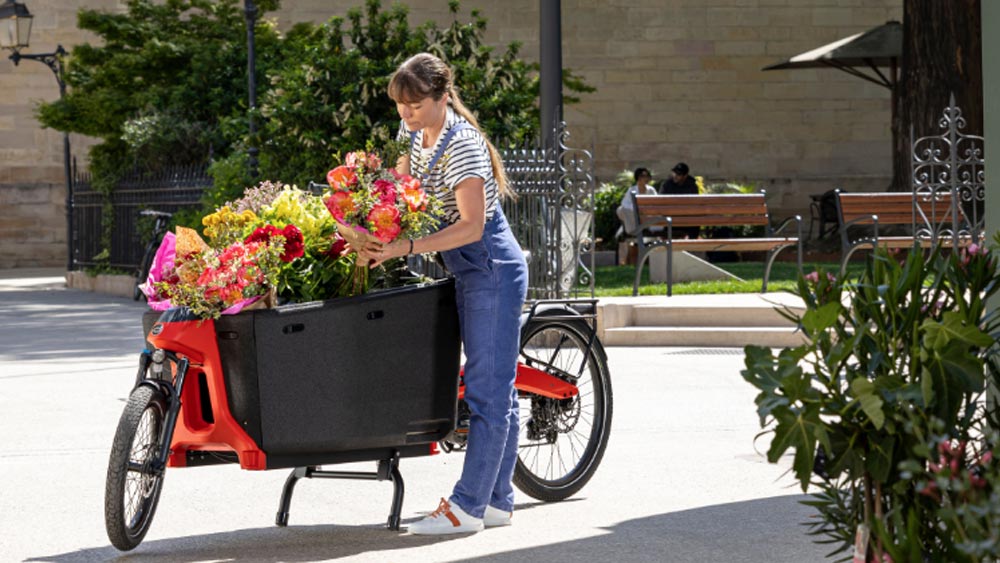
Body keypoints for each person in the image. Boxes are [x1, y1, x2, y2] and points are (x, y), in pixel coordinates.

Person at [359, 52, 528, 535]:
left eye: (414, 104)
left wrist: (405, 246)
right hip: (464, 268)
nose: (406, 114)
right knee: (498, 389)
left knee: (487, 390)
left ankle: (467, 508)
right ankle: (497, 501)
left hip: (489, 268)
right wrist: (366, 218)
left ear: (440, 97)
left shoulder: (464, 145)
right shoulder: (415, 135)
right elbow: (398, 187)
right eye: (399, 105)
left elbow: (472, 227)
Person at [658, 162, 700, 239]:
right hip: (671, 218)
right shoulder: (667, 184)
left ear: (685, 176)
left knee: (693, 222)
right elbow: (661, 202)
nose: (675, 176)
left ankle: (691, 247)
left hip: (686, 219)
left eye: (679, 174)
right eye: (674, 173)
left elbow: (694, 205)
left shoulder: (691, 186)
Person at [615, 167, 657, 236]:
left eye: (647, 176)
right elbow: (624, 203)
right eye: (643, 176)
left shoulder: (651, 190)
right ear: (638, 178)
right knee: (620, 210)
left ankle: (632, 230)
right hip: (634, 216)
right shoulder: (632, 190)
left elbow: (656, 205)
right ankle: (633, 230)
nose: (646, 178)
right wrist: (636, 209)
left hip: (647, 217)